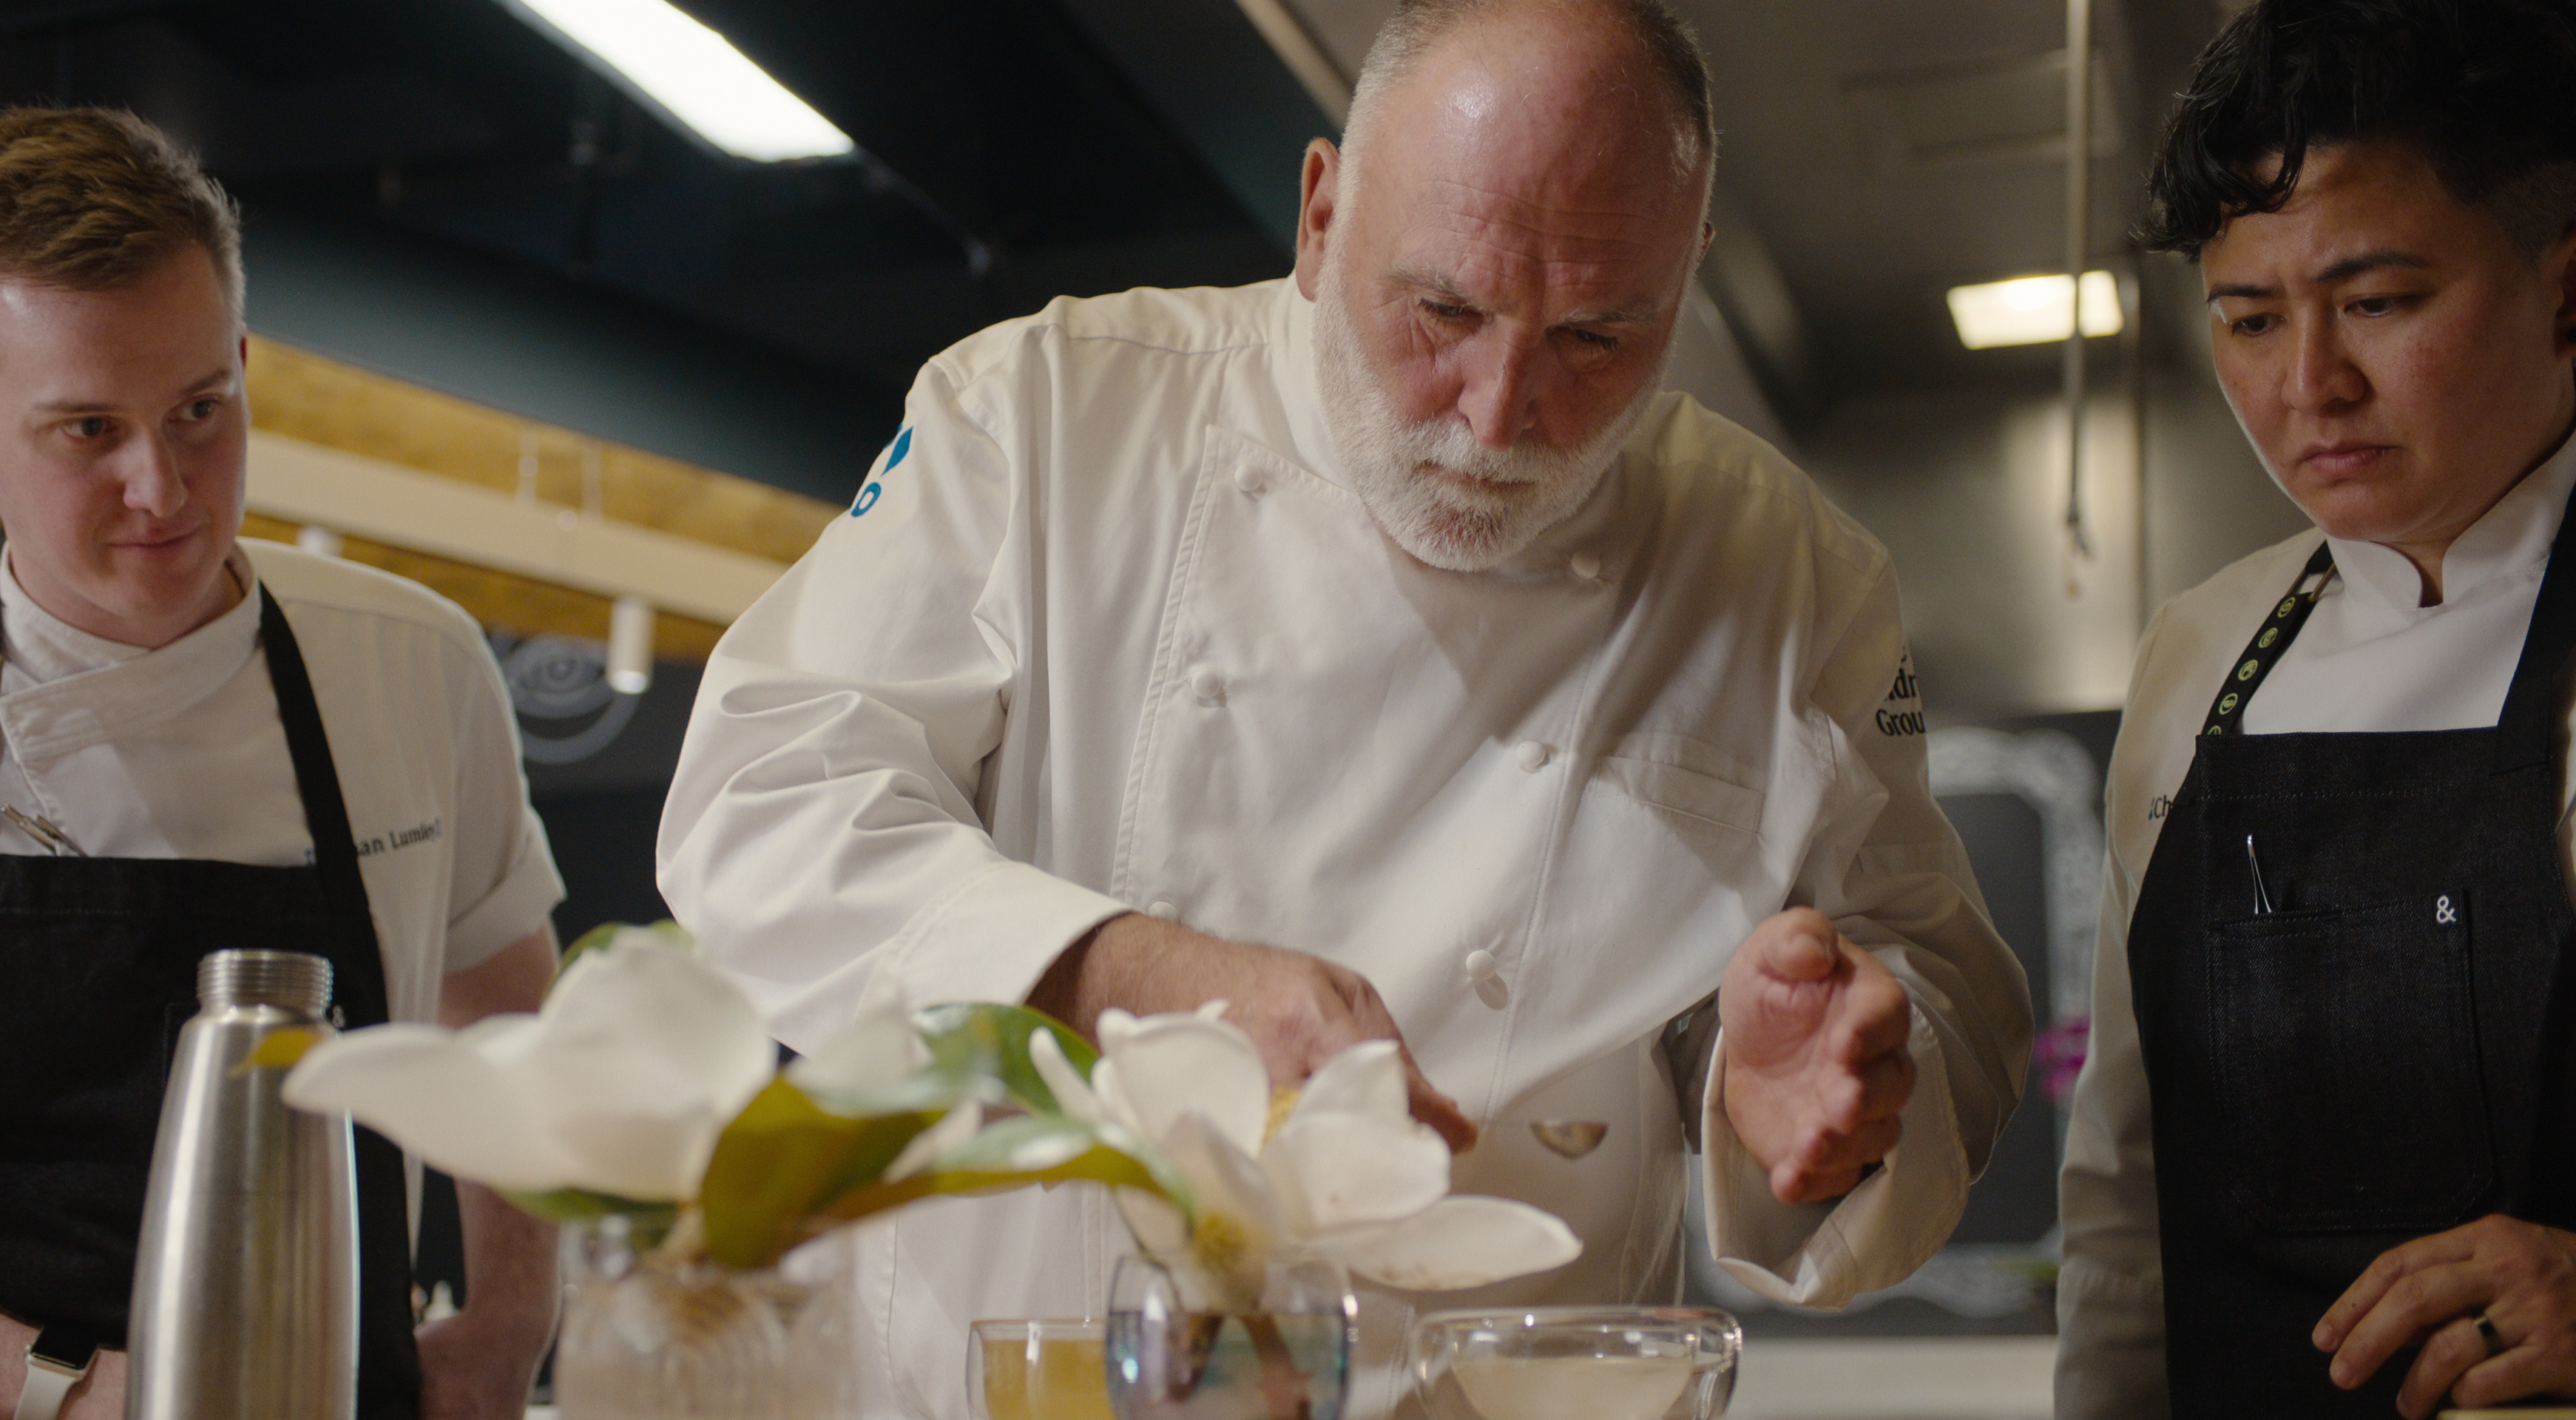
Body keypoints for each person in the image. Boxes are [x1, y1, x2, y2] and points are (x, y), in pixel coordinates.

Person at [659, 1, 2033, 1413]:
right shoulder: (1049, 414)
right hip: (1044, 1381)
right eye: (1444, 311)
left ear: (1686, 279)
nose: (1499, 417)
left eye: (1597, 337)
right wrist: (1143, 978)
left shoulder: (1787, 574)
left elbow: (1940, 1003)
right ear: (1321, 217)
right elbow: (762, 805)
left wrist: (1817, 1106)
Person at [0, 109, 565, 1420]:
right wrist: (48, 1389)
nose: (163, 488)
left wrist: (511, 1323)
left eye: (199, 410)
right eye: (86, 432)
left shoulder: (418, 669)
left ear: (241, 362)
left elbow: (503, 1009)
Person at [2055, 2, 2576, 1416]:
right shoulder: (2200, 653)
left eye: (2380, 302)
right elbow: (2124, 1182)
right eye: (2248, 318)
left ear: (2567, 290)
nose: (2309, 386)